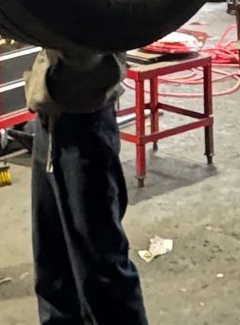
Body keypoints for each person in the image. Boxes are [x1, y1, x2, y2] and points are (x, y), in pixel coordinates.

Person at [27, 49, 149, 325]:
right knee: (52, 267)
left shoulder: (99, 9)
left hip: (86, 122)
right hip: (49, 120)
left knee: (100, 269)